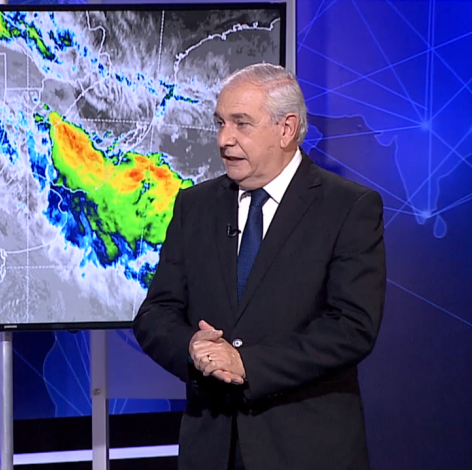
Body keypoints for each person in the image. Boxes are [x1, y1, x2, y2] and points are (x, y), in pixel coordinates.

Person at [132, 63, 386, 470]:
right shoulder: (194, 206)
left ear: (286, 129)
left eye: (241, 124)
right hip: (211, 449)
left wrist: (247, 364)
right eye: (220, 123)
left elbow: (351, 327)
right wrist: (192, 348)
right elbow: (155, 313)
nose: (224, 139)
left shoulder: (347, 208)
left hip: (305, 452)